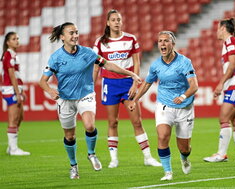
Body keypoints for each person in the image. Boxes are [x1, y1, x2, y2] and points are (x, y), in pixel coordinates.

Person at [39, 22, 141, 179]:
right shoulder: (56, 58)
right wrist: (51, 91)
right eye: (71, 33)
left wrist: (131, 74)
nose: (75, 36)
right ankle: (73, 165)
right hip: (65, 100)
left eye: (76, 32)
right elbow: (43, 81)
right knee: (70, 136)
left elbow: (108, 65)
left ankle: (91, 154)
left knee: (90, 125)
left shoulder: (88, 53)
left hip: (85, 95)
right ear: (62, 37)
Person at [93, 9, 161, 168]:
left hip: (127, 84)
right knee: (112, 122)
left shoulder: (131, 39)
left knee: (137, 121)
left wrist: (134, 83)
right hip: (109, 84)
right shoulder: (100, 42)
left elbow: (137, 63)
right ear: (108, 23)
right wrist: (91, 84)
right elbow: (96, 65)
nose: (117, 22)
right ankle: (113, 159)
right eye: (114, 20)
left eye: (119, 19)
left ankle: (148, 157)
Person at [128, 31, 198, 181]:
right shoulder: (156, 65)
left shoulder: (185, 62)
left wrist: (183, 96)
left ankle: (184, 158)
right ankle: (168, 172)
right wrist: (135, 100)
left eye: (166, 41)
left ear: (173, 44)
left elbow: (194, 86)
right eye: (160, 41)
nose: (163, 44)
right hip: (164, 106)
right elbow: (147, 83)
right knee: (163, 136)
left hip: (185, 107)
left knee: (184, 148)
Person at [203, 17, 235, 162]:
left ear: (223, 28)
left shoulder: (230, 41)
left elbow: (232, 65)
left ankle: (221, 154)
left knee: (223, 118)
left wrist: (220, 84)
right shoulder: (232, 42)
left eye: (218, 28)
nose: (216, 31)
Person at [1, 32, 30, 156]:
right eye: (14, 39)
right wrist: (17, 92)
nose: (17, 41)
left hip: (14, 88)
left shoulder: (12, 54)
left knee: (20, 117)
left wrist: (21, 90)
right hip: (10, 89)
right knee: (13, 118)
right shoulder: (8, 55)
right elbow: (11, 74)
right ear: (8, 42)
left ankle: (11, 147)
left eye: (17, 38)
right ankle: (13, 149)